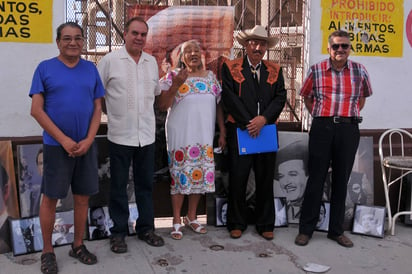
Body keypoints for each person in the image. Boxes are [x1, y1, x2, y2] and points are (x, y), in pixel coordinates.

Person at [29, 21, 104, 273]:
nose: (73, 43)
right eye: (67, 38)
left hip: (85, 146)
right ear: (58, 41)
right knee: (51, 199)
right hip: (55, 147)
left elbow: (97, 109)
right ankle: (48, 251)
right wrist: (63, 140)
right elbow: (36, 110)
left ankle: (78, 245)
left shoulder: (91, 69)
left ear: (83, 41)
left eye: (78, 38)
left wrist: (89, 139)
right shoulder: (45, 68)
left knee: (82, 198)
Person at [295, 30, 373, 248]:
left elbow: (362, 99)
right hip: (322, 128)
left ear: (350, 49)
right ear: (329, 48)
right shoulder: (317, 70)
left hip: (348, 129)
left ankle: (336, 231)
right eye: (336, 46)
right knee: (316, 178)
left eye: (344, 46)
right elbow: (307, 98)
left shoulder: (360, 71)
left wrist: (345, 115)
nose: (340, 50)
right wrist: (322, 117)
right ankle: (306, 230)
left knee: (341, 180)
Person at [97, 16, 165, 252]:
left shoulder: (151, 62)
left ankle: (146, 229)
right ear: (124, 34)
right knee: (118, 186)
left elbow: (156, 95)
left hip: (146, 136)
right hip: (120, 136)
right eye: (134, 33)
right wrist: (116, 116)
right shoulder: (109, 61)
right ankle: (118, 233)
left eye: (143, 34)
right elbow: (99, 97)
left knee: (145, 185)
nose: (139, 38)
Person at [221, 25, 287, 240]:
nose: (257, 47)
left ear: (267, 47)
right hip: (240, 130)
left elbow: (280, 97)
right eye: (253, 43)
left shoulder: (275, 70)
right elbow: (229, 98)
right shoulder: (231, 67)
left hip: (266, 130)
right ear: (246, 45)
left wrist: (263, 119)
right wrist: (250, 122)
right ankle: (236, 222)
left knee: (265, 178)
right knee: (238, 178)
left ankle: (265, 222)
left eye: (262, 44)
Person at [157, 39, 226, 240]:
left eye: (197, 50)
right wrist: (176, 84)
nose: (193, 54)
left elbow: (219, 106)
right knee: (180, 177)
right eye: (188, 51)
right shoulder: (172, 76)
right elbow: (162, 105)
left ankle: (192, 217)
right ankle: (176, 220)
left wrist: (222, 131)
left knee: (199, 176)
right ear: (182, 57)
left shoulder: (211, 78)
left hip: (203, 136)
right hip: (181, 135)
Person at [274, 140, 308, 223]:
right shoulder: (281, 211)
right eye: (281, 176)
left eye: (293, 174)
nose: (286, 182)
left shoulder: (320, 209)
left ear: (307, 176)